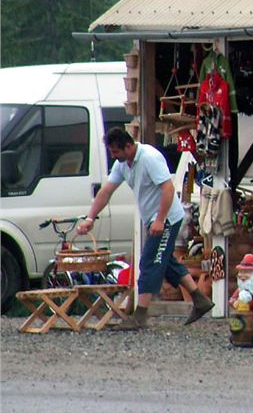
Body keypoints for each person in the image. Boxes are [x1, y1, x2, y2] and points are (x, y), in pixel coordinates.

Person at [77, 128, 213, 330]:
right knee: (165, 261)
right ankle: (200, 300)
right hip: (153, 219)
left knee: (149, 262)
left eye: (115, 151)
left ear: (128, 146)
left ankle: (140, 316)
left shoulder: (150, 158)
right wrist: (90, 217)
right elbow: (106, 191)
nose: (113, 156)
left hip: (167, 218)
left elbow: (168, 188)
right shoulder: (122, 164)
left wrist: (160, 220)